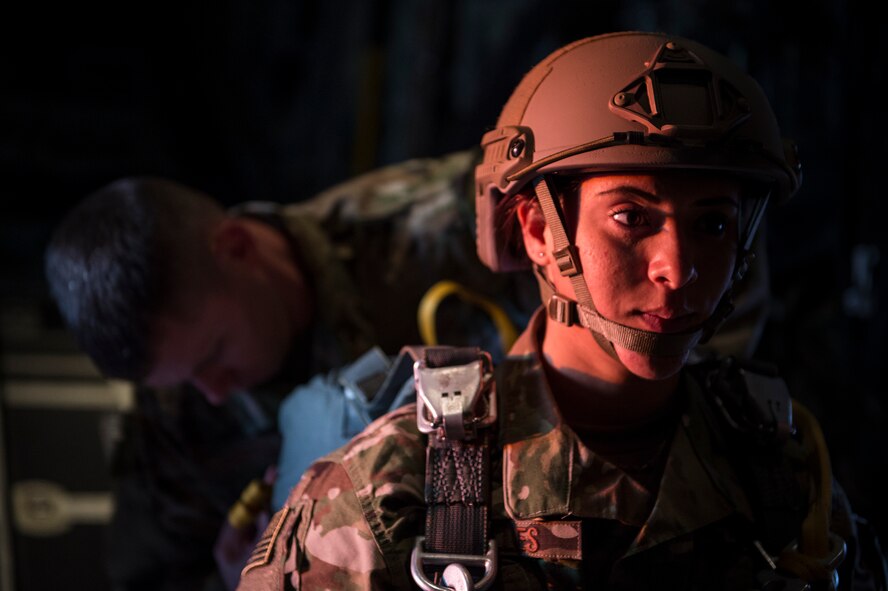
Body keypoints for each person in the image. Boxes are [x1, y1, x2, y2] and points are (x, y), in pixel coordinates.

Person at [237, 32, 887, 590]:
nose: (677, 266)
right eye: (631, 217)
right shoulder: (394, 493)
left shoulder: (783, 473)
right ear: (538, 231)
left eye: (713, 224)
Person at [44, 162, 537, 590]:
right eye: (185, 380)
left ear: (236, 247)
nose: (214, 393)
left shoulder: (436, 223)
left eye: (214, 355)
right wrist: (238, 581)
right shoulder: (176, 429)